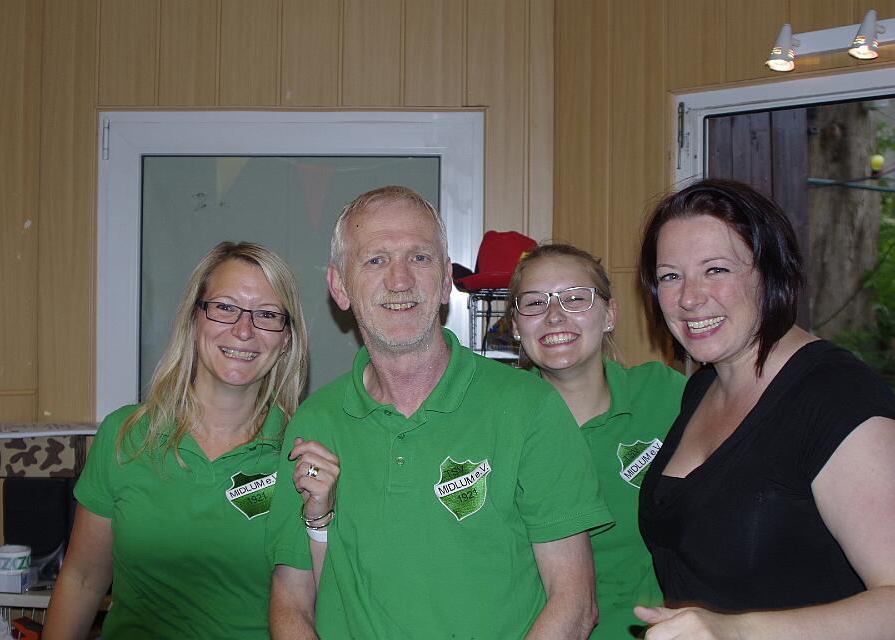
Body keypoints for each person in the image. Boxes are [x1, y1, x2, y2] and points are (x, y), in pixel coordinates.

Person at [268, 186, 614, 639]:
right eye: (375, 260)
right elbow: (291, 601)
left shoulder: (529, 408)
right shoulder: (314, 425)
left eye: (419, 257)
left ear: (446, 278)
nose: (399, 280)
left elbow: (574, 601)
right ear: (340, 286)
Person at [634, 178, 895, 639]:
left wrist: (738, 632)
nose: (689, 297)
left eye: (716, 269)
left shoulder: (836, 395)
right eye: (670, 276)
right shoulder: (702, 388)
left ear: (772, 272)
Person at [44, 242, 332, 639]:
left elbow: (321, 600)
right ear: (193, 320)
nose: (243, 330)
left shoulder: (301, 457)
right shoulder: (125, 436)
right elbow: (82, 580)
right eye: (225, 307)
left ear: (286, 339)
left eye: (266, 315)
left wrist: (322, 516)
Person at [508, 243, 686, 639]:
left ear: (609, 314)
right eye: (534, 303)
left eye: (575, 298)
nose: (554, 315)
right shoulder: (497, 421)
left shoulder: (664, 395)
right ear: (516, 326)